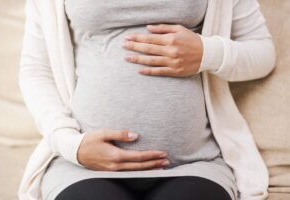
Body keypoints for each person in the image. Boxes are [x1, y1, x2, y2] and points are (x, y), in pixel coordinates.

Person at [17, 0, 276, 200]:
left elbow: (262, 52)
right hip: (83, 168)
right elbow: (36, 69)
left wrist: (208, 53)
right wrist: (69, 143)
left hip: (195, 165)